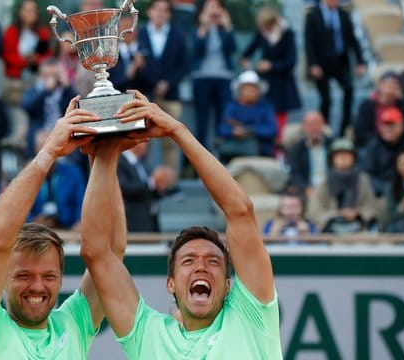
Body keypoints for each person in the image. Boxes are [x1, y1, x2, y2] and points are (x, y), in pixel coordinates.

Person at [80, 90, 282, 358]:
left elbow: (240, 210)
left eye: (213, 261)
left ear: (230, 285)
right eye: (188, 261)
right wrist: (106, 152)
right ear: (171, 284)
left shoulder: (251, 316)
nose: (201, 266)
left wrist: (177, 130)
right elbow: (97, 253)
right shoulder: (148, 334)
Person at [0, 96, 127, 359]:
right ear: (2, 281)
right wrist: (49, 153)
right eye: (23, 275)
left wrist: (104, 152)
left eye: (48, 276)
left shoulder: (73, 324)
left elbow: (112, 253)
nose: (37, 286)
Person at [136, 0, 188, 171]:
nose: (160, 13)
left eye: (164, 10)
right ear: (150, 12)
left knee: (172, 140)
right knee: (141, 140)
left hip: (171, 95)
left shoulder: (178, 35)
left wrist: (168, 82)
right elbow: (137, 64)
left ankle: (170, 184)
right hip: (145, 95)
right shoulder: (139, 34)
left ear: (169, 14)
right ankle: (143, 181)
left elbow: (184, 66)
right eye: (157, 9)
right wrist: (154, 82)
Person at [304, 0, 366, 137]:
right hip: (321, 62)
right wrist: (313, 64)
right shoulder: (313, 15)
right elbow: (309, 42)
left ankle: (345, 126)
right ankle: (324, 128)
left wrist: (360, 61)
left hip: (341, 61)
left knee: (349, 89)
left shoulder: (343, 15)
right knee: (326, 98)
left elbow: (353, 40)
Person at [240, 6, 301, 141]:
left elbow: (291, 62)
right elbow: (247, 53)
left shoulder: (287, 34)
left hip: (282, 85)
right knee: (265, 116)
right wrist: (248, 66)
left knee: (280, 121)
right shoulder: (262, 33)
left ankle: (278, 149)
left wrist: (271, 65)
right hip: (266, 84)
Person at [190, 0, 237, 151]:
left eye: (217, 7)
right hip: (202, 78)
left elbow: (232, 49)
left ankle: (222, 155)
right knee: (202, 120)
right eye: (210, 6)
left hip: (223, 78)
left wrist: (228, 26)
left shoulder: (225, 29)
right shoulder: (197, 28)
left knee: (223, 119)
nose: (214, 10)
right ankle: (201, 156)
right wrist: (204, 27)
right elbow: (196, 50)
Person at [307, 138, 377, 233]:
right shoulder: (324, 181)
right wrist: (335, 214)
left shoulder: (362, 180)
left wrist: (357, 213)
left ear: (353, 158)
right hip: (331, 228)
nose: (343, 158)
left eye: (347, 155)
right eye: (339, 155)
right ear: (332, 159)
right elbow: (314, 210)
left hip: (358, 228)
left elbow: (371, 206)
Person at [28, 130, 86, 231]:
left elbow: (82, 201)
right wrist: (32, 221)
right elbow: (19, 207)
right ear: (35, 150)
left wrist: (80, 222)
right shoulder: (28, 175)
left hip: (68, 228)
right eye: (42, 149)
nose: (47, 153)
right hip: (37, 230)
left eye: (50, 148)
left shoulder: (72, 172)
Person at [217, 70, 277, 163]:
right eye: (247, 88)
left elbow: (271, 130)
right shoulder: (232, 106)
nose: (250, 92)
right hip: (233, 155)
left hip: (261, 155)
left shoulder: (265, 107)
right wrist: (233, 132)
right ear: (240, 91)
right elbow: (222, 129)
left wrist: (249, 130)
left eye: (253, 88)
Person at [1, 0, 51, 106]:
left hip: (37, 80)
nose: (31, 13)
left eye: (33, 10)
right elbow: (7, 55)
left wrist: (36, 59)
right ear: (21, 12)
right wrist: (26, 61)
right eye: (28, 10)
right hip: (16, 81)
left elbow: (47, 56)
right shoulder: (12, 31)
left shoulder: (43, 32)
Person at [117, 141, 176, 232]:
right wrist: (153, 182)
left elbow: (149, 191)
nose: (147, 144)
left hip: (150, 222)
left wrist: (161, 185)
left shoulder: (143, 164)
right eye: (144, 141)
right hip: (132, 224)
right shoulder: (119, 161)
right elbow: (123, 188)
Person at [361, 107, 404, 197]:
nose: (388, 129)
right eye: (385, 125)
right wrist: (389, 189)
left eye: (392, 125)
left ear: (402, 126)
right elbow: (367, 176)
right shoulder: (373, 146)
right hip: (380, 193)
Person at [353, 72, 404, 150]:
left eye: (394, 85)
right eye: (388, 84)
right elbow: (361, 132)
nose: (390, 88)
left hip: (396, 143)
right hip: (371, 144)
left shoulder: (402, 105)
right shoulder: (367, 105)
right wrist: (381, 141)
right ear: (380, 85)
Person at [286, 111, 332, 197]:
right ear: (303, 126)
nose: (314, 128)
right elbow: (294, 172)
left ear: (323, 125)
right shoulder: (296, 148)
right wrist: (305, 188)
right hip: (306, 188)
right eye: (310, 124)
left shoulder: (333, 145)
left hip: (330, 187)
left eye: (317, 124)